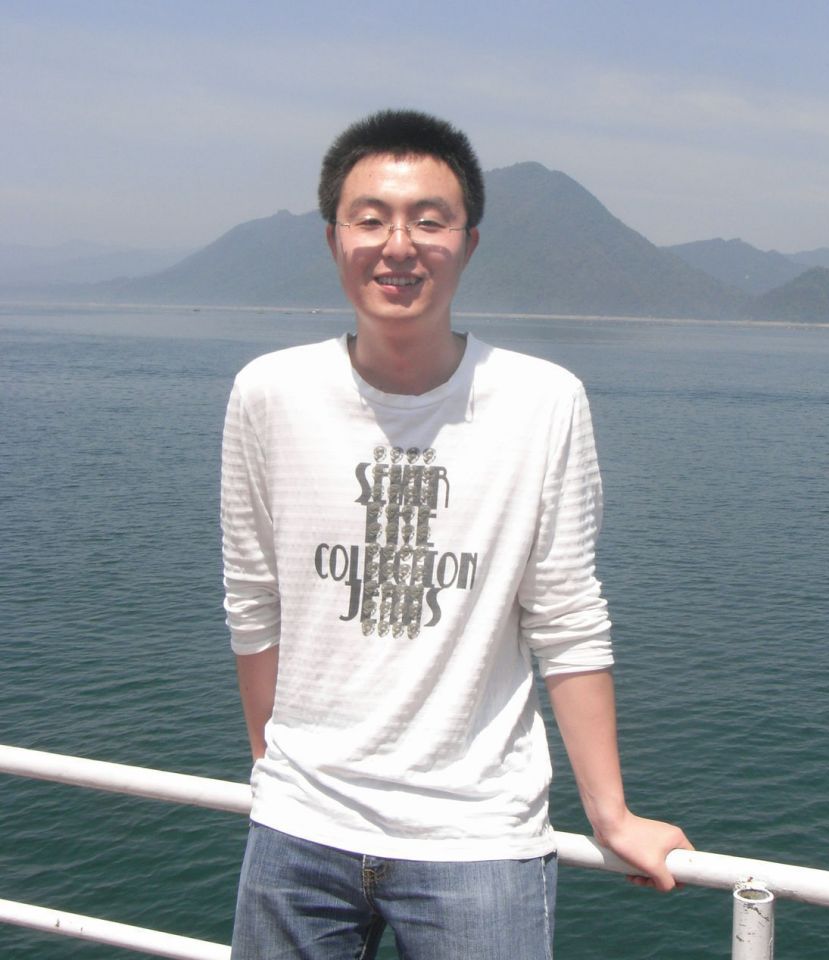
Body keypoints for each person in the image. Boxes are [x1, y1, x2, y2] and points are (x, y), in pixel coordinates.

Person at [221, 108, 692, 959]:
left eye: (429, 222)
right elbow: (255, 601)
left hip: (477, 838)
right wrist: (273, 768)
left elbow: (566, 615)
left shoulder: (542, 402)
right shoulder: (269, 394)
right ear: (333, 239)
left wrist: (611, 813)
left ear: (468, 244)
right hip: (297, 830)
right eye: (371, 219)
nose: (398, 245)